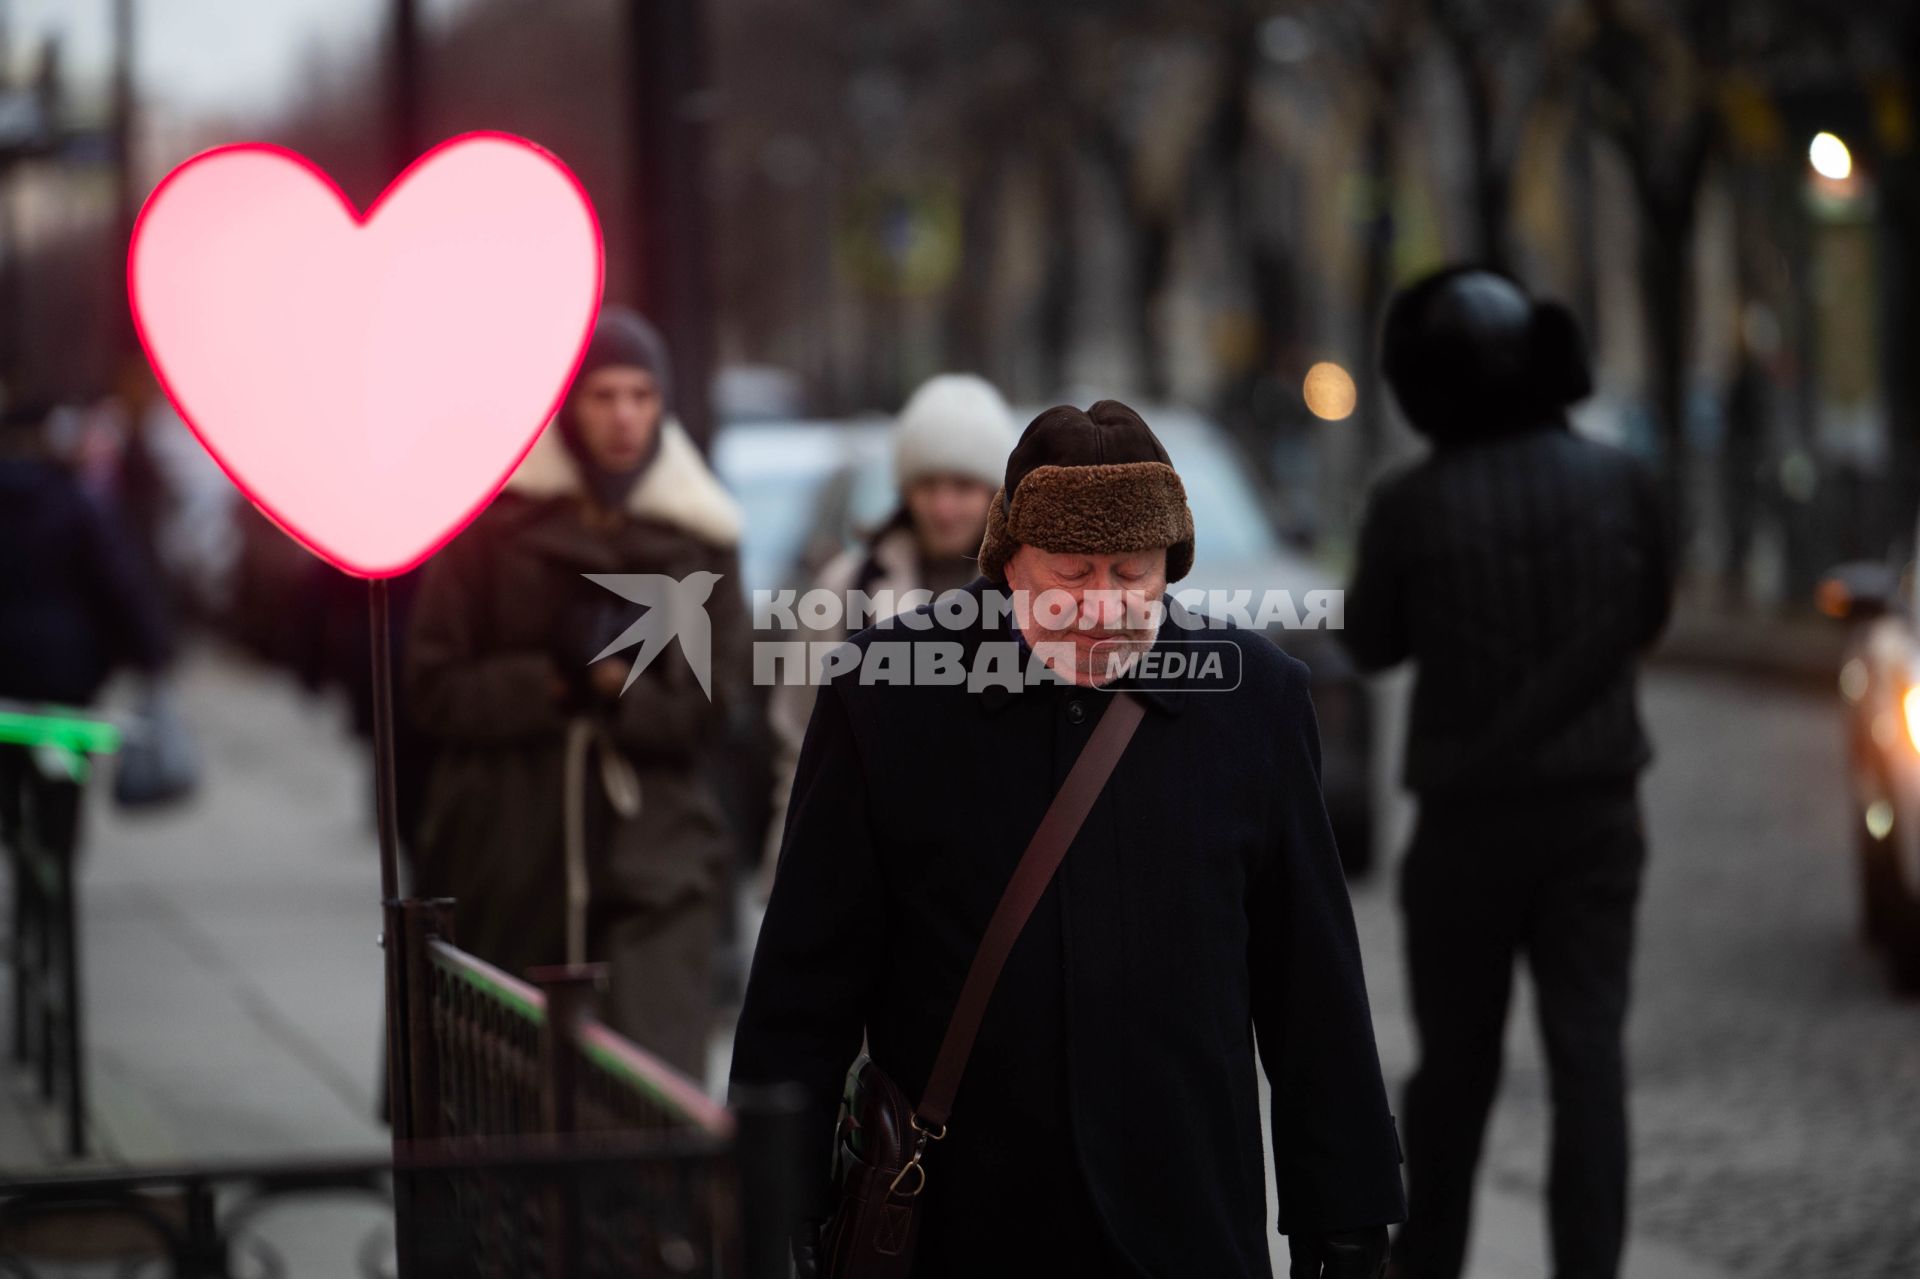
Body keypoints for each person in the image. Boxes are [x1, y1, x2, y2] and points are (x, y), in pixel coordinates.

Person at [732, 400, 1404, 1277]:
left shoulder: (1255, 702)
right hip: (962, 1230)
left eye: (1131, 573)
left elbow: (1310, 986)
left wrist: (1345, 1209)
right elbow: (804, 982)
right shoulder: (883, 694)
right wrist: (771, 1201)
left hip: (1186, 1226)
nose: (1102, 607)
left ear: (1173, 564)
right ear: (1008, 558)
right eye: (1071, 571)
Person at [1340, 268, 1673, 1279]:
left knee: (1453, 1074)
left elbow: (1372, 641)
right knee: (1589, 1062)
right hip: (1596, 815)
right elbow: (1648, 617)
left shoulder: (1409, 502)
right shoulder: (1622, 482)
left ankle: (1429, 1263)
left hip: (1465, 827)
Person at [406, 306, 749, 1079]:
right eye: (603, 395)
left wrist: (616, 686)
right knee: (509, 1090)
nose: (624, 417)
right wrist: (552, 682)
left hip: (654, 856)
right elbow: (432, 685)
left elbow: (716, 697)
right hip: (510, 847)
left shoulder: (701, 536)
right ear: (567, 405)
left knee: (650, 1093)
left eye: (641, 395)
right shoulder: (491, 527)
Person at [761, 372, 1015, 875]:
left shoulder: (1029, 594)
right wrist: (788, 872)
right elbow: (799, 745)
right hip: (872, 869)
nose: (944, 507)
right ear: (904, 489)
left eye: (963, 487)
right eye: (928, 485)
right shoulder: (846, 587)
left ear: (996, 491)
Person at [0, 397, 173, 706]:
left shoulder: (74, 501)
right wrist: (151, 650)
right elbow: (118, 580)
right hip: (66, 670)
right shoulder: (74, 502)